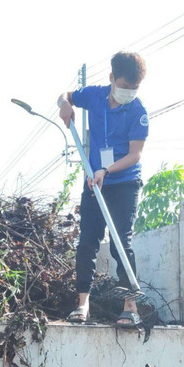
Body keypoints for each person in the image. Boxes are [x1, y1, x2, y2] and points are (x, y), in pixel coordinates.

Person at [57, 51, 149, 327]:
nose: (129, 93)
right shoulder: (95, 96)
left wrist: (106, 170)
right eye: (124, 87)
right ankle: (82, 304)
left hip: (124, 183)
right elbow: (66, 95)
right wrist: (64, 105)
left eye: (134, 89)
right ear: (111, 78)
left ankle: (130, 307)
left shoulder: (138, 112)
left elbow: (135, 155)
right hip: (94, 183)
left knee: (122, 241)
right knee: (87, 241)